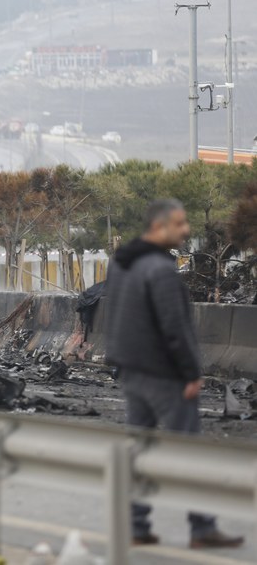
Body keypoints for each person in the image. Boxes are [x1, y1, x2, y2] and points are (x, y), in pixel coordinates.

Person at [106, 199, 244, 550]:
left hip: (132, 371)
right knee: (188, 453)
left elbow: (114, 315)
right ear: (159, 226)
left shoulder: (121, 263)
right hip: (165, 375)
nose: (186, 231)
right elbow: (176, 327)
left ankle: (135, 525)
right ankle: (202, 529)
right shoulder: (160, 269)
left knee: (140, 449)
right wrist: (190, 373)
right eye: (180, 224)